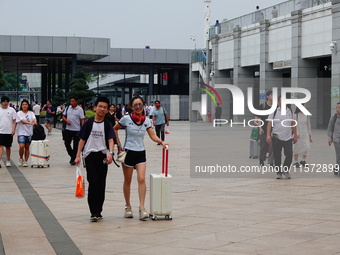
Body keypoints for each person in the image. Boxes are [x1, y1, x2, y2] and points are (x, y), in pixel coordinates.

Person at [114, 95, 169, 220]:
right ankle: (128, 206)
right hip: (128, 152)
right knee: (127, 180)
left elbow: (152, 135)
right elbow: (114, 129)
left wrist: (161, 142)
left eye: (140, 105)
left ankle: (142, 208)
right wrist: (118, 145)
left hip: (140, 153)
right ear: (131, 107)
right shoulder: (126, 119)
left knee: (141, 178)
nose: (138, 107)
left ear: (144, 105)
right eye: (135, 105)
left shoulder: (146, 121)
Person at [75, 97, 115, 222]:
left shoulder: (107, 124)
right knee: (93, 182)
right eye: (100, 106)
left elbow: (110, 139)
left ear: (107, 110)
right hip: (90, 155)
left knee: (101, 183)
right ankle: (93, 211)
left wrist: (111, 153)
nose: (102, 109)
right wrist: (77, 155)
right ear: (95, 107)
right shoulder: (89, 122)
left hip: (102, 155)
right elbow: (82, 139)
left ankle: (99, 210)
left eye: (105, 107)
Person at [266, 96, 297, 179]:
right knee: (277, 156)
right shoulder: (274, 111)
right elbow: (269, 123)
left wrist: (295, 135)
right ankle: (278, 172)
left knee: (289, 154)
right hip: (276, 137)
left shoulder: (290, 111)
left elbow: (293, 123)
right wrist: (268, 135)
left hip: (288, 137)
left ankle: (285, 169)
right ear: (278, 102)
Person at [62, 97, 85, 166]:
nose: (71, 102)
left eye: (73, 101)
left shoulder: (80, 109)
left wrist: (83, 128)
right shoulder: (68, 108)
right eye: (71, 101)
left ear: (76, 102)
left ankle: (73, 159)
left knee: (76, 145)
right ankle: (73, 156)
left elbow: (82, 119)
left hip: (77, 130)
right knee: (67, 143)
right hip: (68, 129)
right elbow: (63, 116)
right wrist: (66, 121)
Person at [16, 100, 37, 167]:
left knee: (27, 147)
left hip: (29, 133)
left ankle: (26, 160)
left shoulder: (31, 113)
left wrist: (35, 122)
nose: (24, 106)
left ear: (28, 105)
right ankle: (21, 158)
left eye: (25, 104)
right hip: (21, 132)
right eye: (23, 104)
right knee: (21, 146)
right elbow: (22, 120)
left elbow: (34, 119)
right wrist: (30, 123)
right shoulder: (19, 113)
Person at [256, 91, 274, 167]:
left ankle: (271, 162)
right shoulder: (262, 106)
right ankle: (261, 159)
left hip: (273, 129)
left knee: (273, 146)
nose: (273, 96)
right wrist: (260, 128)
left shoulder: (276, 107)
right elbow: (259, 118)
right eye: (272, 95)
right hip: (264, 128)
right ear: (267, 96)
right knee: (264, 146)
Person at [0, 96, 17, 167]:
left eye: (7, 101)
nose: (5, 103)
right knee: (0, 146)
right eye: (4, 101)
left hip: (9, 131)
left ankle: (8, 160)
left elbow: (15, 120)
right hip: (1, 131)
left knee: (8, 147)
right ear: (1, 102)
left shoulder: (12, 110)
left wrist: (14, 129)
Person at [327, 102, 340, 175]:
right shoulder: (334, 117)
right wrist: (329, 138)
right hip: (336, 138)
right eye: (337, 107)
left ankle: (336, 167)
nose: (337, 109)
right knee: (338, 155)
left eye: (339, 107)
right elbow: (330, 128)